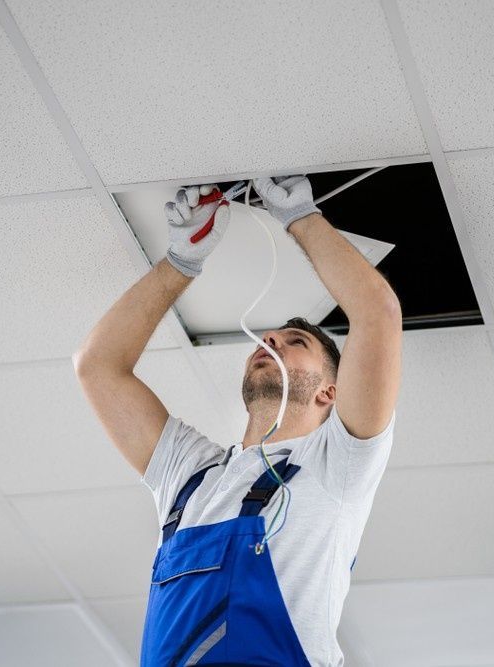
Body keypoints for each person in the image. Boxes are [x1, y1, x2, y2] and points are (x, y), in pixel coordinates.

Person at [73, 175, 402, 666]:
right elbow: (95, 365)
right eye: (269, 338)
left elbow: (377, 310)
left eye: (296, 342)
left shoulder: (338, 465)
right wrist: (181, 263)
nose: (271, 340)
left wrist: (301, 219)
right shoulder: (189, 478)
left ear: (332, 393)